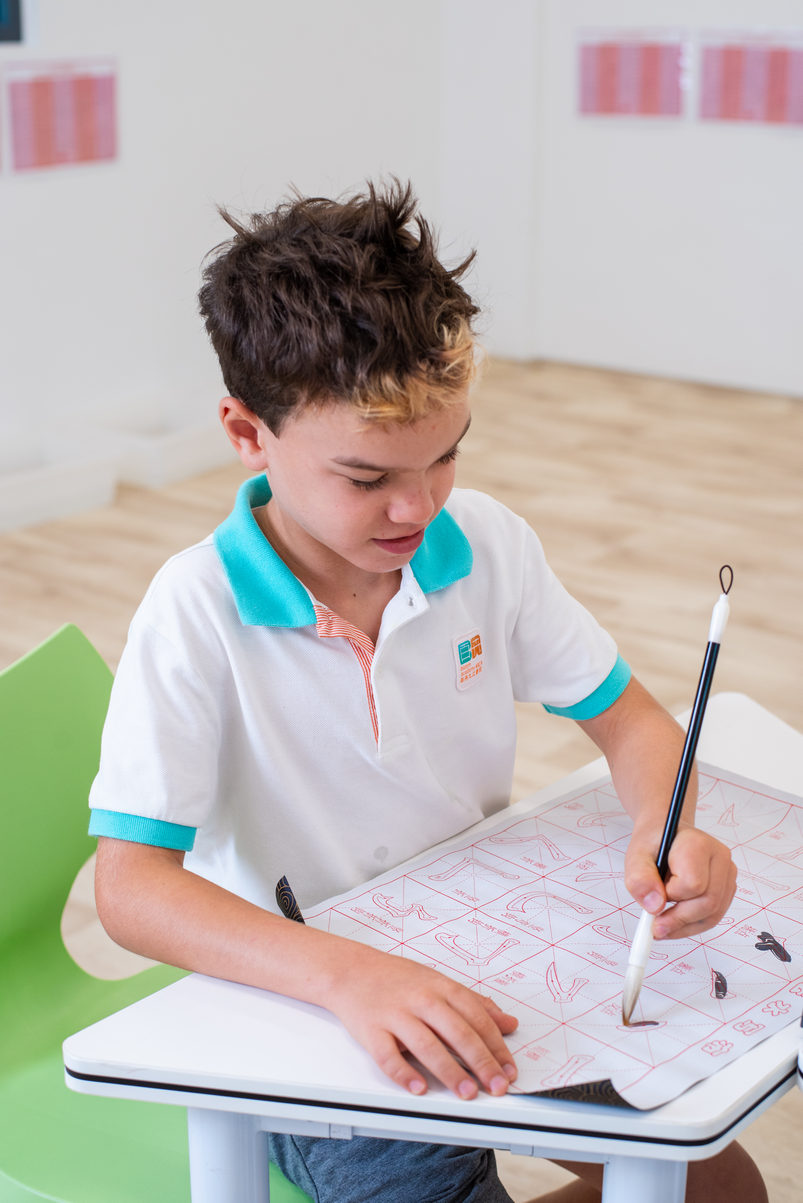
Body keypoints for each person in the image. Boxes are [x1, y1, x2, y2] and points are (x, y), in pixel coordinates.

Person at [89, 180, 765, 1202]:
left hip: (484, 953)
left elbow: (630, 721)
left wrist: (663, 828)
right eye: (366, 478)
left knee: (715, 1187)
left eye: (444, 456)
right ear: (246, 432)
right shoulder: (195, 612)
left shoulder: (484, 542)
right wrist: (346, 975)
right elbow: (132, 889)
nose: (416, 507)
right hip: (307, 1015)